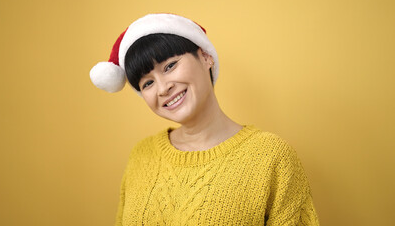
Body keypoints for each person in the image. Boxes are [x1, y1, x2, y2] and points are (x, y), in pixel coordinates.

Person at [90, 14, 319, 225]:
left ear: (206, 57)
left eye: (170, 66)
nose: (163, 88)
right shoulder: (141, 156)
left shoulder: (272, 157)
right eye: (147, 83)